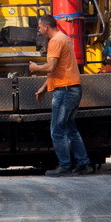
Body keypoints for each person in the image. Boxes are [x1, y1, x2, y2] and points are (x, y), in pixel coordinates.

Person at [29, 14, 93, 176]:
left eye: (39, 27)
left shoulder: (55, 41)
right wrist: (44, 88)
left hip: (65, 91)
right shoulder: (63, 38)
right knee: (71, 129)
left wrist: (36, 67)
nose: (39, 30)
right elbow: (57, 69)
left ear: (46, 27)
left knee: (57, 130)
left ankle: (65, 166)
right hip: (71, 88)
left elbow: (51, 67)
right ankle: (84, 164)